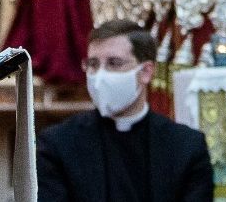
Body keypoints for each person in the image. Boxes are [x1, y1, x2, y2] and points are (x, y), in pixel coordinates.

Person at [37, 20, 215, 202]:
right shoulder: (58, 145)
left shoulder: (186, 147)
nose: (100, 76)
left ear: (146, 71)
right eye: (93, 64)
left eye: (114, 63)